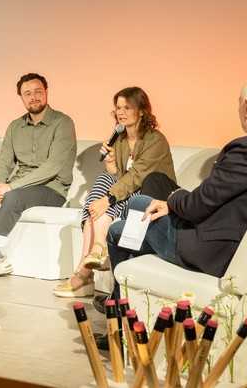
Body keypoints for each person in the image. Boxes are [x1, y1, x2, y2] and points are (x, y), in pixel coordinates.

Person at [106, 75, 247, 300]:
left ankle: (118, 310)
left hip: (211, 250)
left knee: (116, 231)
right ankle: (128, 289)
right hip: (244, 241)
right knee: (139, 205)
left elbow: (196, 207)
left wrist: (173, 199)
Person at [53, 87, 175, 298]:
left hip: (151, 197)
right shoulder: (119, 139)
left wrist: (107, 200)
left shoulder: (155, 140)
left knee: (106, 200)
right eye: (118, 108)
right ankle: (97, 251)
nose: (121, 112)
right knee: (102, 180)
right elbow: (119, 177)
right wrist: (110, 163)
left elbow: (136, 176)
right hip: (128, 192)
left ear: (142, 111)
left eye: (127, 107)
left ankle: (84, 274)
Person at [0, 73, 77, 277]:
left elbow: (53, 167)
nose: (33, 97)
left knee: (12, 197)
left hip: (51, 189)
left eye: (38, 92)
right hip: (16, 187)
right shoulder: (16, 126)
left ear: (46, 92)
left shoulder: (63, 123)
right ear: (21, 98)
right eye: (27, 93)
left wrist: (11, 188)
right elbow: (4, 160)